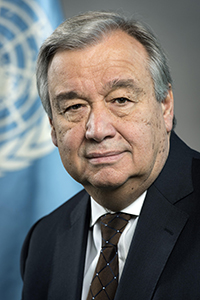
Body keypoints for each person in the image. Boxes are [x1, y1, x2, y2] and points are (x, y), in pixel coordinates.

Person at [20, 11, 200, 300]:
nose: (97, 130)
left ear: (165, 106)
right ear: (53, 127)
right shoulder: (43, 241)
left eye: (120, 100)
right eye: (74, 107)